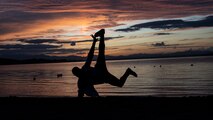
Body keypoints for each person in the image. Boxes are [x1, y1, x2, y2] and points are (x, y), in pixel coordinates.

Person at [72, 29, 137, 97]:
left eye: (78, 72)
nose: (79, 74)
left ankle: (102, 34)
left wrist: (94, 42)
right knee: (120, 84)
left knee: (101, 52)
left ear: (79, 70)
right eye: (77, 74)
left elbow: (90, 55)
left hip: (100, 68)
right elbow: (83, 92)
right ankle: (128, 72)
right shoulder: (81, 83)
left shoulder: (84, 69)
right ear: (77, 76)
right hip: (105, 77)